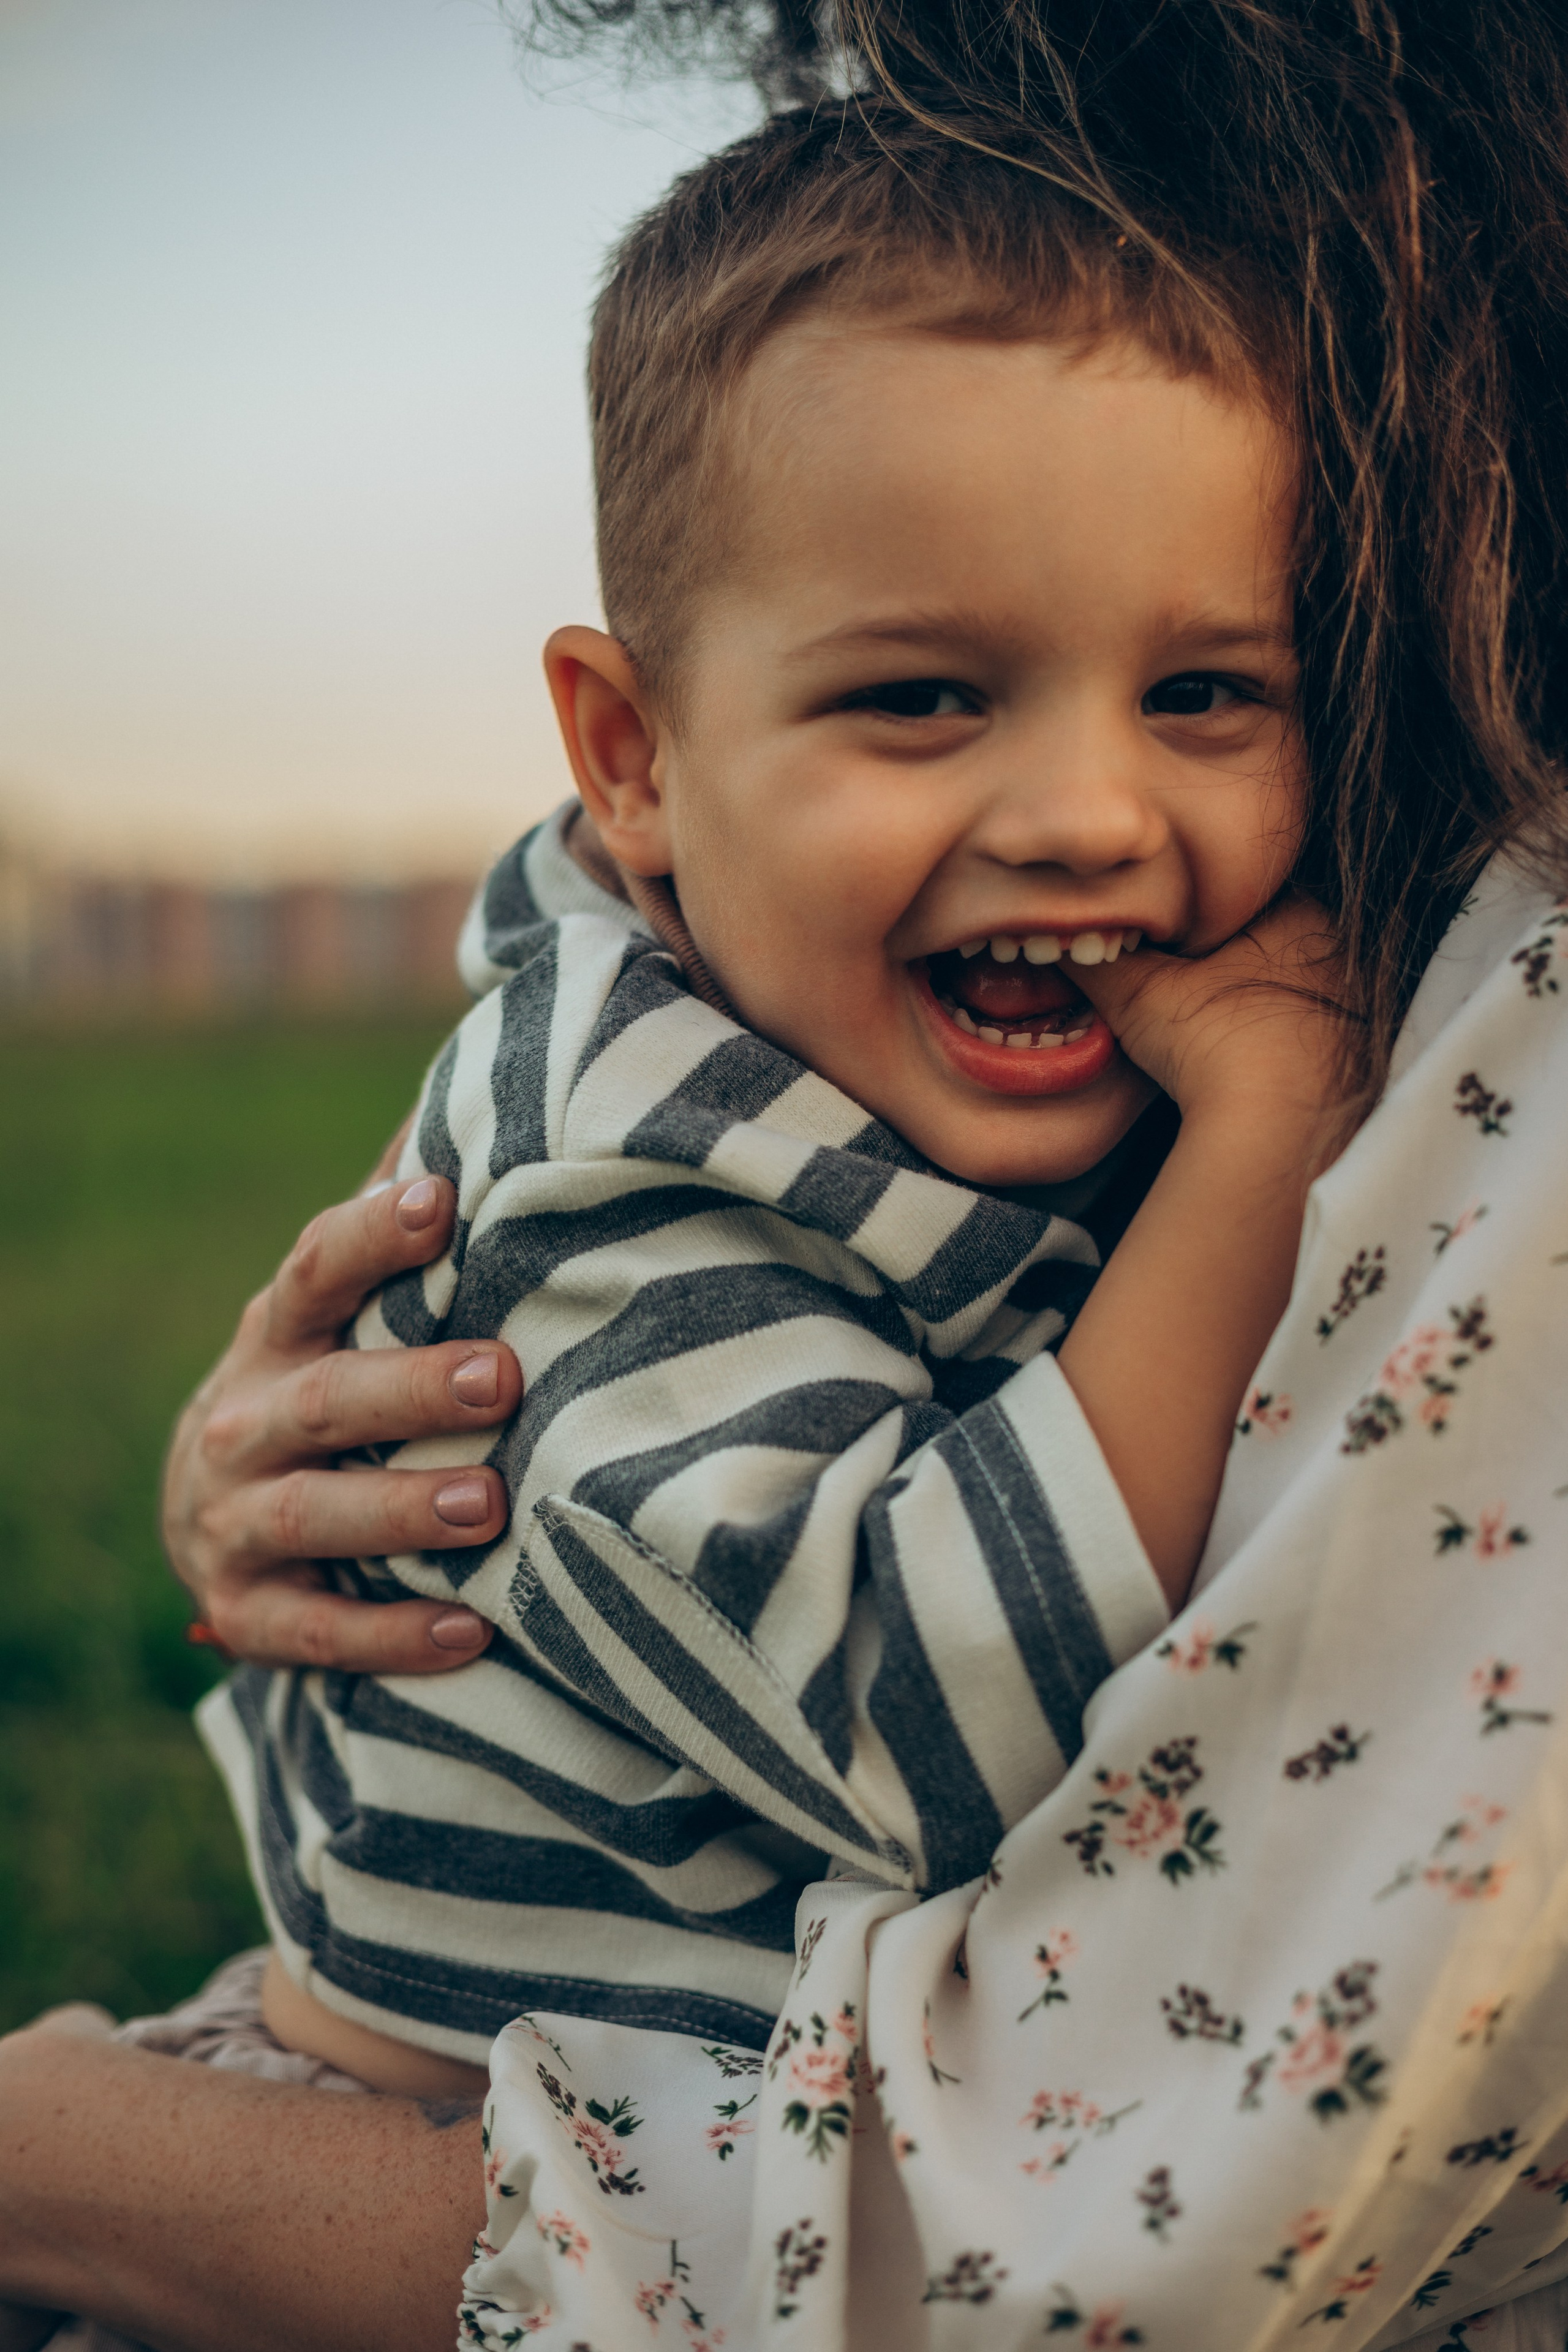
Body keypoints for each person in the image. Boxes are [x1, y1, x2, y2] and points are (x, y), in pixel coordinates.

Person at [4, 3, 1567, 2348]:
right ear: (635, 761)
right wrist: (1261, 1145)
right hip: (417, 2189)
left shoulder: (874, 1018)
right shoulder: (631, 1193)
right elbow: (920, 1719)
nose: (1083, 813)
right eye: (925, 699)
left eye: (1207, 696)